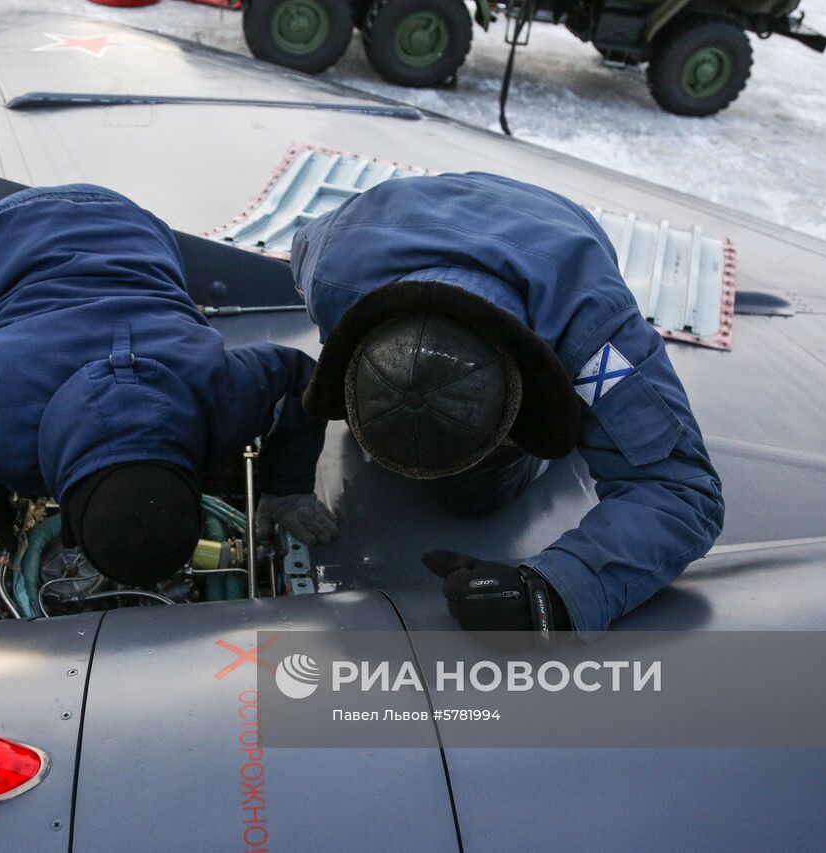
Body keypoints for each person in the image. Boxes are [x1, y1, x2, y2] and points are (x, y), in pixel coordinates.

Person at [290, 173, 723, 638]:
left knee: (474, 495)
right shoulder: (331, 270)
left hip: (556, 223)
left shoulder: (595, 335)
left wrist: (553, 590)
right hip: (405, 213)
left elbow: (683, 491)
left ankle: (524, 455)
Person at [0, 185, 336, 586]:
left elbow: (300, 376)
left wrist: (288, 489)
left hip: (129, 226)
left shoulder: (222, 397)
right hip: (7, 239)